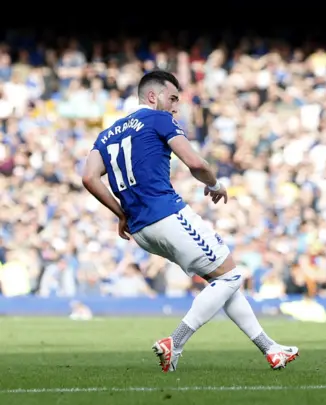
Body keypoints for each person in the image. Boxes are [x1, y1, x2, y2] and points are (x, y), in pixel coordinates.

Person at [81, 70, 298, 372]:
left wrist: (121, 213)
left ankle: (271, 349)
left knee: (221, 282)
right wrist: (215, 184)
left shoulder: (107, 134)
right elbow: (195, 162)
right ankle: (176, 342)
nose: (175, 108)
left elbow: (89, 177)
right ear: (153, 96)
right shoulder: (158, 119)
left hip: (142, 229)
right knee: (231, 276)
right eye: (172, 99)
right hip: (167, 214)